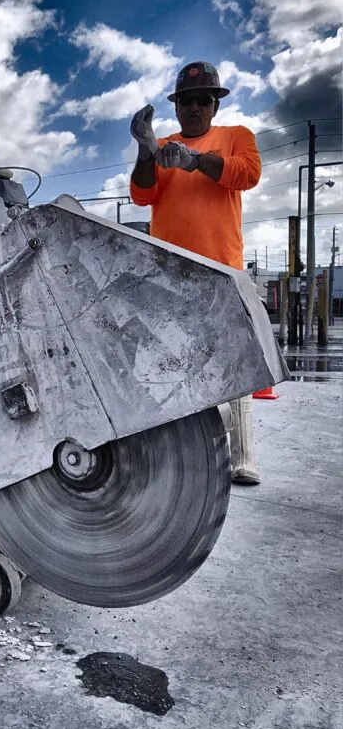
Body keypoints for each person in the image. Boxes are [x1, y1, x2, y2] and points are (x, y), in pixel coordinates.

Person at [128, 61, 262, 485]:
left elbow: (248, 174)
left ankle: (242, 459)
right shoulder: (163, 145)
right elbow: (141, 194)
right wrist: (146, 150)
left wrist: (196, 160)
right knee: (172, 364)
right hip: (170, 276)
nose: (195, 107)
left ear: (215, 105)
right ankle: (179, 454)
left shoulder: (236, 138)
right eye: (187, 100)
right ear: (177, 105)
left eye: (203, 99)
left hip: (222, 270)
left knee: (234, 366)